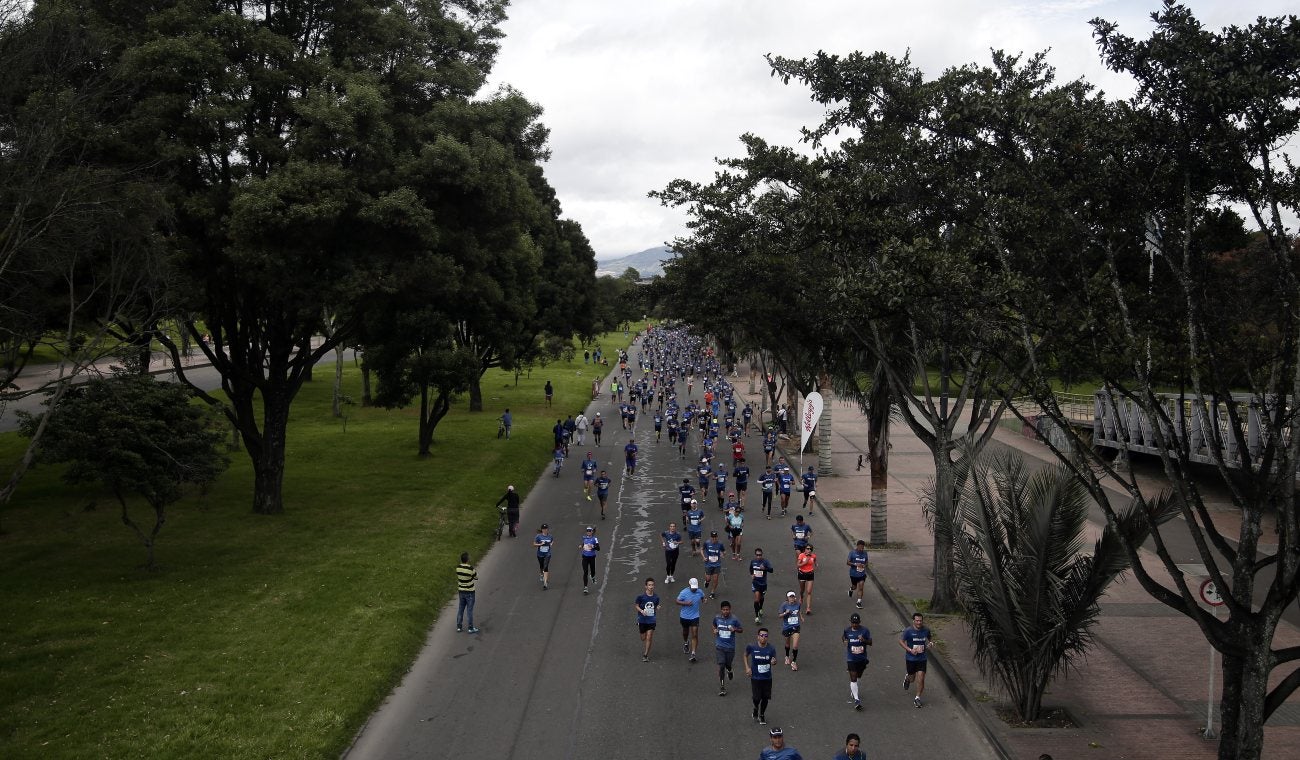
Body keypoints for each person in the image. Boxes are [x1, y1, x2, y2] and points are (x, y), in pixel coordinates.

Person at [744, 628, 777, 726]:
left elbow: (774, 660)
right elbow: (745, 655)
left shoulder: (771, 649)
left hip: (767, 678)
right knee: (756, 698)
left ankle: (762, 715)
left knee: (765, 698)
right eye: (762, 635)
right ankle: (755, 707)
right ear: (758, 637)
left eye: (766, 636)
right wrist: (747, 668)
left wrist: (774, 662)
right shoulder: (752, 647)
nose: (764, 637)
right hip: (755, 677)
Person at [900, 611, 933, 707]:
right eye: (917, 621)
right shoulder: (908, 631)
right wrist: (910, 650)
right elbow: (901, 641)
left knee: (921, 678)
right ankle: (908, 677)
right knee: (912, 679)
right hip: (911, 658)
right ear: (913, 621)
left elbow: (930, 638)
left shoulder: (926, 630)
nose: (919, 622)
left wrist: (931, 643)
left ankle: (917, 698)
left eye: (920, 621)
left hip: (922, 658)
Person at [712, 600, 743, 696]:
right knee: (721, 665)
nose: (725, 611)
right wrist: (714, 630)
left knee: (728, 664)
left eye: (727, 609)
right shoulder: (717, 618)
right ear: (721, 610)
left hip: (730, 648)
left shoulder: (734, 619)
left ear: (730, 610)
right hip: (720, 646)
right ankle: (722, 687)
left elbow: (741, 629)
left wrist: (735, 629)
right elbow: (714, 625)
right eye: (724, 610)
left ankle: (729, 670)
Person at [844, 612, 873, 710]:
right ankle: (857, 700)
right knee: (853, 677)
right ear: (850, 622)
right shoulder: (847, 630)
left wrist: (864, 640)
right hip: (851, 658)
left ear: (859, 622)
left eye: (856, 623)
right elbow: (844, 637)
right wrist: (844, 641)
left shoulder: (865, 631)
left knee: (858, 676)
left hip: (862, 658)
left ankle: (854, 689)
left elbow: (870, 642)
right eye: (853, 622)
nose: (854, 624)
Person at [676, 577, 706, 662]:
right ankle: (686, 642)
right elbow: (677, 601)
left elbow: (703, 598)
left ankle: (693, 654)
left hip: (695, 616)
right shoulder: (683, 592)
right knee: (685, 632)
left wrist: (704, 600)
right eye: (693, 587)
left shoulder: (700, 591)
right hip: (684, 616)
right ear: (689, 585)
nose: (694, 589)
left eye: (695, 587)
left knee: (695, 634)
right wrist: (685, 603)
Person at [635, 577, 660, 662]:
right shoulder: (641, 597)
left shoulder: (656, 597)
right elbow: (636, 606)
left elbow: (655, 607)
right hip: (642, 620)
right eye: (649, 585)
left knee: (649, 637)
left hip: (651, 620)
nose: (651, 586)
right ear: (646, 586)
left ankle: (645, 655)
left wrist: (657, 607)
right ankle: (641, 628)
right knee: (643, 638)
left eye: (652, 585)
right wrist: (641, 611)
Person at [455, 552, 479, 633]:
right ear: (468, 560)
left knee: (461, 609)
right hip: (470, 592)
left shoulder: (458, 568)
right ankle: (470, 628)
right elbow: (476, 577)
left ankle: (459, 626)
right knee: (469, 610)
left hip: (461, 591)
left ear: (461, 559)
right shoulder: (470, 569)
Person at [778, 591, 802, 671]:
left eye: (793, 597)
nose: (792, 598)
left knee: (795, 646)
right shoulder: (784, 605)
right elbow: (779, 616)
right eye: (790, 597)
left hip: (796, 627)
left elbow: (799, 611)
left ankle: (794, 662)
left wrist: (801, 617)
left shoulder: (798, 604)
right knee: (787, 644)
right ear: (787, 598)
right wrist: (786, 612)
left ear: (795, 597)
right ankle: (787, 656)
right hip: (787, 627)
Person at [749, 547, 774, 623]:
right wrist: (752, 574)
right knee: (757, 598)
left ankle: (760, 608)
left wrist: (765, 568)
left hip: (763, 584)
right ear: (755, 555)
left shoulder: (765, 562)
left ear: (762, 555)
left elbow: (771, 570)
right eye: (757, 555)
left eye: (760, 555)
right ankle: (756, 616)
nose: (758, 556)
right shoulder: (753, 561)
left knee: (761, 597)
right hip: (755, 582)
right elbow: (750, 568)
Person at [703, 530, 725, 598]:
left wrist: (722, 554)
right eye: (713, 537)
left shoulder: (720, 544)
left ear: (717, 537)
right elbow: (701, 549)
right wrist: (703, 557)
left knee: (715, 580)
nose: (714, 538)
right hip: (708, 564)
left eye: (715, 537)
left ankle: (712, 592)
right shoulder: (707, 543)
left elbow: (724, 551)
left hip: (717, 564)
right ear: (711, 537)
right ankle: (707, 581)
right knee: (708, 579)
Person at [847, 540, 869, 609]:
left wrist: (865, 565)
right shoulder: (852, 553)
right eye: (860, 547)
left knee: (861, 587)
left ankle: (859, 602)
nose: (861, 549)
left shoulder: (865, 553)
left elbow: (867, 562)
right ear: (857, 546)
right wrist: (855, 564)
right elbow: (847, 562)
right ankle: (851, 589)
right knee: (855, 587)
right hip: (853, 574)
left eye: (863, 548)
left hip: (862, 574)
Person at [796, 544, 816, 615]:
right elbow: (798, 565)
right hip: (802, 574)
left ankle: (808, 608)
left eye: (810, 549)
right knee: (802, 590)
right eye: (807, 548)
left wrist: (815, 564)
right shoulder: (801, 555)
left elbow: (815, 560)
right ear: (805, 549)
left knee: (809, 591)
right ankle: (801, 596)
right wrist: (805, 562)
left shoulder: (813, 556)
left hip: (810, 574)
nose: (809, 550)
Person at [580, 526, 600, 594]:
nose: (588, 532)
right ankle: (585, 587)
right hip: (585, 557)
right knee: (585, 572)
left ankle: (592, 576)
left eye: (589, 531)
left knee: (593, 571)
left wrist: (593, 546)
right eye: (587, 531)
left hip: (592, 558)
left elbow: (598, 548)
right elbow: (583, 544)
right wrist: (581, 546)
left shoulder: (595, 539)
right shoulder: (584, 538)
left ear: (592, 532)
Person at [533, 523, 553, 589]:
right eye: (544, 529)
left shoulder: (550, 536)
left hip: (547, 554)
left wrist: (551, 544)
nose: (545, 530)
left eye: (546, 529)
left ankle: (545, 583)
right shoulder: (538, 536)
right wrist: (540, 544)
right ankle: (541, 573)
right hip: (540, 554)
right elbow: (534, 544)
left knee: (545, 566)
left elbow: (552, 541)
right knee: (541, 566)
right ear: (542, 530)